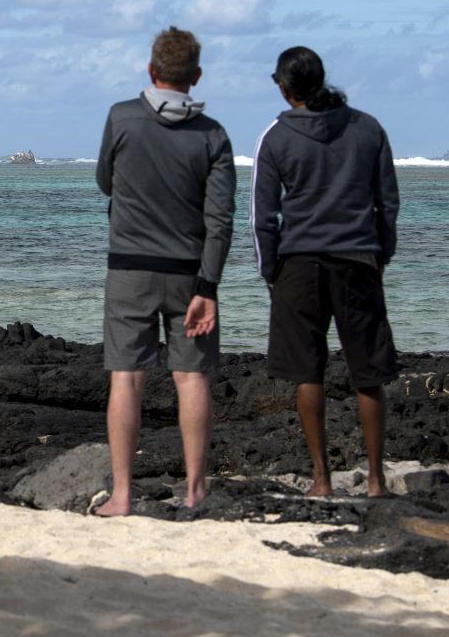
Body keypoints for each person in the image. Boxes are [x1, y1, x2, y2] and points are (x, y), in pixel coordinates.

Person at [94, 27, 235, 515]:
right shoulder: (213, 135)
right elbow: (221, 219)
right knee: (191, 378)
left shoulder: (122, 117)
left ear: (151, 71)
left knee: (127, 378)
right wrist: (209, 286)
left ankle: (123, 494)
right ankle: (196, 491)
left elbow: (103, 180)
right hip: (189, 273)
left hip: (129, 268)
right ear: (195, 76)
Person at [250, 46, 399, 498]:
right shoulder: (368, 128)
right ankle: (375, 481)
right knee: (368, 374)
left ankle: (321, 481)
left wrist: (270, 270)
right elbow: (387, 203)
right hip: (358, 259)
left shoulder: (276, 137)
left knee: (307, 373)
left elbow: (262, 216)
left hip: (298, 264)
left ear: (284, 86)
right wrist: (381, 256)